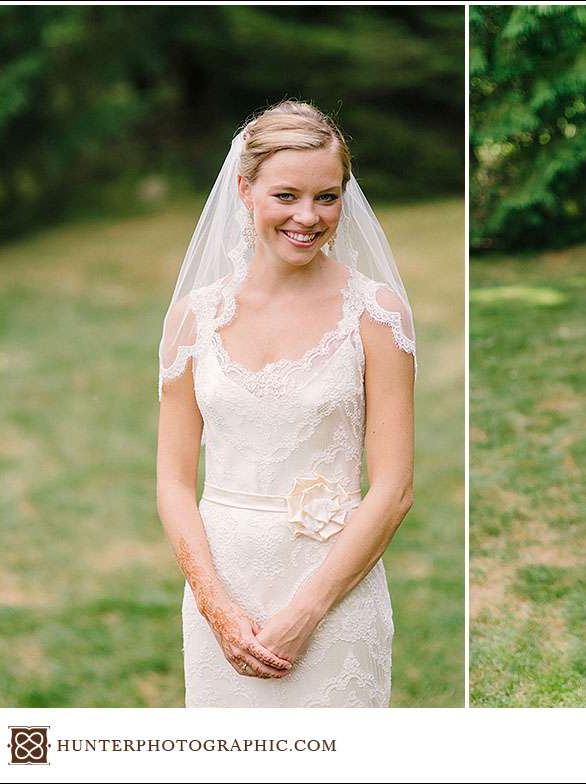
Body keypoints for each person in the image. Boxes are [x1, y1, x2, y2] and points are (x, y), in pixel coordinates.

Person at [156, 100, 416, 707]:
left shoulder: (375, 313)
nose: (308, 216)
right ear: (245, 190)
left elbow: (394, 489)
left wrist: (307, 612)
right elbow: (172, 481)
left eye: (327, 197)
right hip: (224, 593)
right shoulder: (194, 318)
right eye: (287, 196)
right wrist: (216, 608)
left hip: (334, 598)